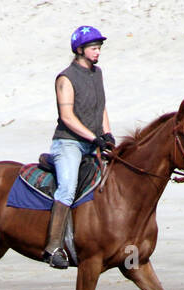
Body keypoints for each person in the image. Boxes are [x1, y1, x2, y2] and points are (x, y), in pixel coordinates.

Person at [43, 26, 116, 268]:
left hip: (92, 141)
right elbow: (67, 117)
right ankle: (53, 248)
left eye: (99, 48)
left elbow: (101, 107)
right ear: (80, 49)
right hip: (69, 143)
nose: (98, 53)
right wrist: (93, 138)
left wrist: (107, 134)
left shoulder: (98, 73)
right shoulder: (66, 78)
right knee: (67, 187)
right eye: (94, 48)